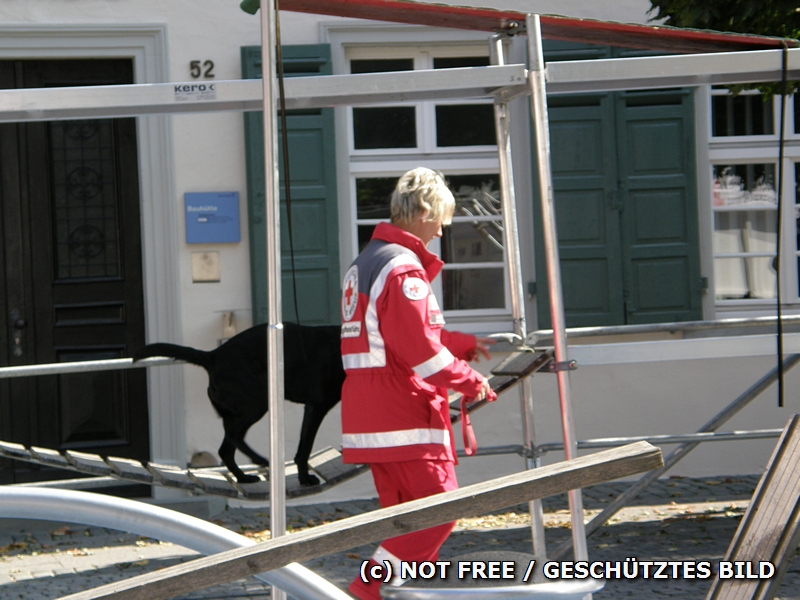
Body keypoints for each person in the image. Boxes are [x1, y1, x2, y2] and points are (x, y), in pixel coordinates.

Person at [340, 167, 495, 600]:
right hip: (403, 411)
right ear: (423, 210)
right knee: (441, 509)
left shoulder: (367, 261)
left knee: (404, 519)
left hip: (370, 412)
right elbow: (420, 352)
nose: (443, 230)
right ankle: (367, 590)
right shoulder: (403, 268)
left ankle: (388, 593)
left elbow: (398, 334)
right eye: (441, 218)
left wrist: (461, 344)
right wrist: (469, 381)